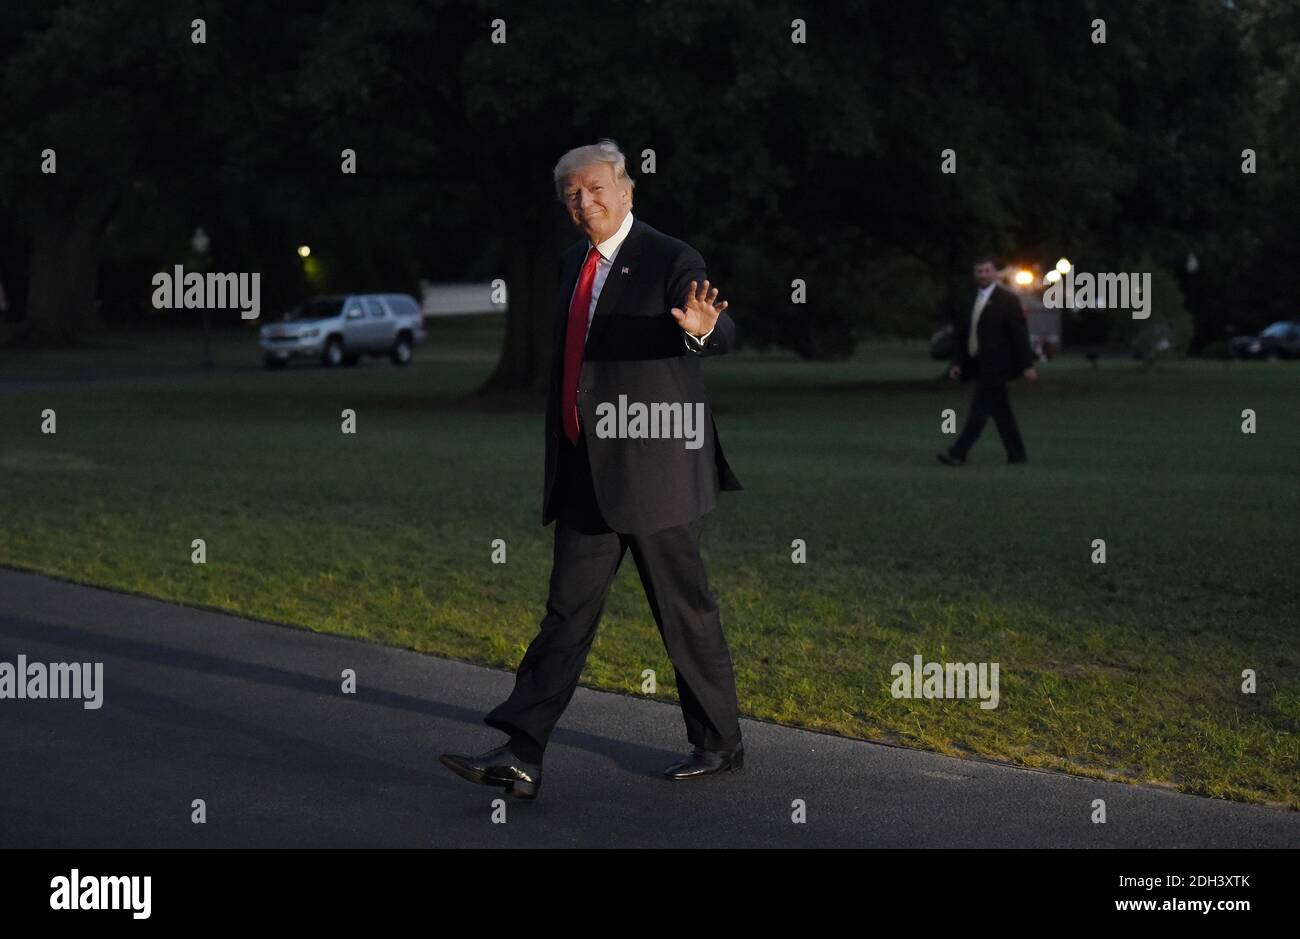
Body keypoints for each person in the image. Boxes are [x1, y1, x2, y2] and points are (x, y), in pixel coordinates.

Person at [440, 140, 745, 800]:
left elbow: (718, 331)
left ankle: (720, 743)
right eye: (572, 195)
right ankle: (521, 752)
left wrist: (699, 329)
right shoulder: (569, 263)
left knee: (684, 613)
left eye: (597, 188)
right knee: (565, 615)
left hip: (658, 469)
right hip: (586, 473)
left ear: (627, 190)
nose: (586, 203)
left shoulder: (670, 256)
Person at [938, 256, 1038, 466]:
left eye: (986, 271)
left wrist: (1027, 364)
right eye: (979, 271)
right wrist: (956, 363)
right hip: (978, 363)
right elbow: (961, 335)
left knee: (980, 408)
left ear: (995, 273)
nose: (982, 275)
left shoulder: (1008, 300)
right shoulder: (969, 300)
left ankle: (958, 452)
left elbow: (1019, 334)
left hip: (998, 364)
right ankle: (1017, 455)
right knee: (1001, 412)